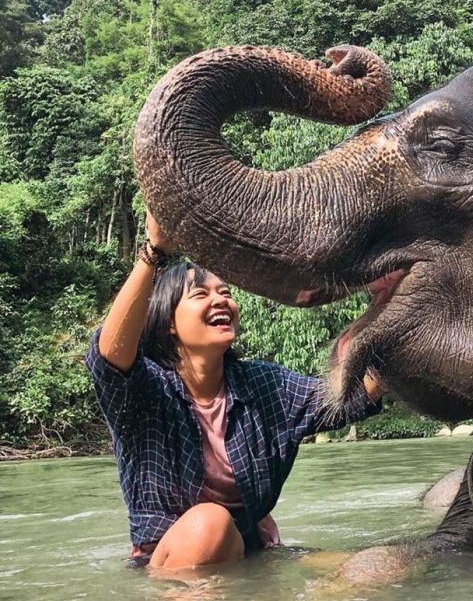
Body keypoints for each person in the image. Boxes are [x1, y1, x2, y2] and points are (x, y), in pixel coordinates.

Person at [85, 213, 382, 570]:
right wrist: (154, 252)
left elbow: (353, 395)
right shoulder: (145, 392)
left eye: (225, 293)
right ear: (169, 324)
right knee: (209, 523)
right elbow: (109, 355)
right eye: (201, 294)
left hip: (253, 555)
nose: (221, 300)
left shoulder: (263, 386)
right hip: (169, 567)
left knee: (373, 567)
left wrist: (394, 305)